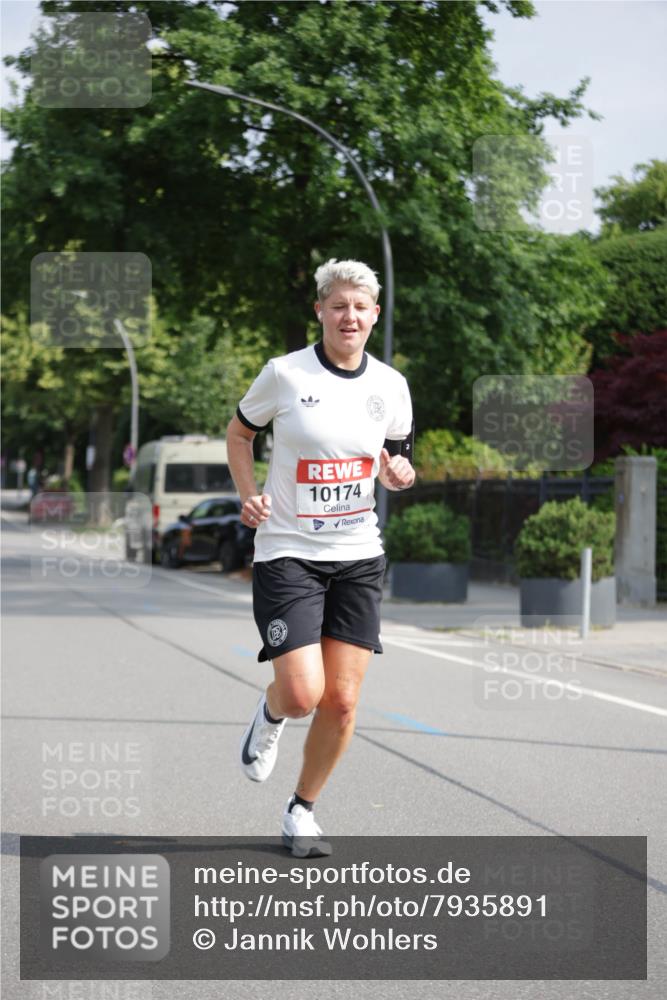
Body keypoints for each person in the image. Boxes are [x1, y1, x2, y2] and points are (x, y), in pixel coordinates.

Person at [226, 259, 415, 858]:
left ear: (375, 315)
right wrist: (247, 494)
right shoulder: (284, 374)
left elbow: (399, 458)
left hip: (358, 554)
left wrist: (401, 473)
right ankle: (271, 713)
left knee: (343, 700)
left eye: (360, 307)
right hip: (288, 552)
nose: (349, 316)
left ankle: (301, 810)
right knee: (304, 694)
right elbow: (238, 433)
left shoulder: (391, 385)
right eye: (338, 306)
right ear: (321, 311)